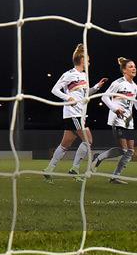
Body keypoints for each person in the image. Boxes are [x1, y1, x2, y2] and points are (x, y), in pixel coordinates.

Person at [43, 44, 107, 183]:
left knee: (65, 145)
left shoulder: (84, 75)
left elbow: (85, 94)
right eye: (88, 59)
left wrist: (96, 87)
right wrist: (68, 97)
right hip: (73, 113)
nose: (89, 62)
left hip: (81, 114)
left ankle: (48, 170)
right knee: (88, 140)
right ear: (82, 59)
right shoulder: (69, 74)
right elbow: (55, 89)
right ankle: (75, 169)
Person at [90, 57, 137, 184]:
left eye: (135, 66)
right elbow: (104, 97)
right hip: (117, 119)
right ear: (124, 70)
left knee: (129, 151)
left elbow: (136, 104)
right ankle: (99, 158)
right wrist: (115, 109)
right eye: (131, 66)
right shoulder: (118, 83)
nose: (134, 68)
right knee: (124, 149)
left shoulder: (136, 87)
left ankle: (114, 176)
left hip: (128, 121)